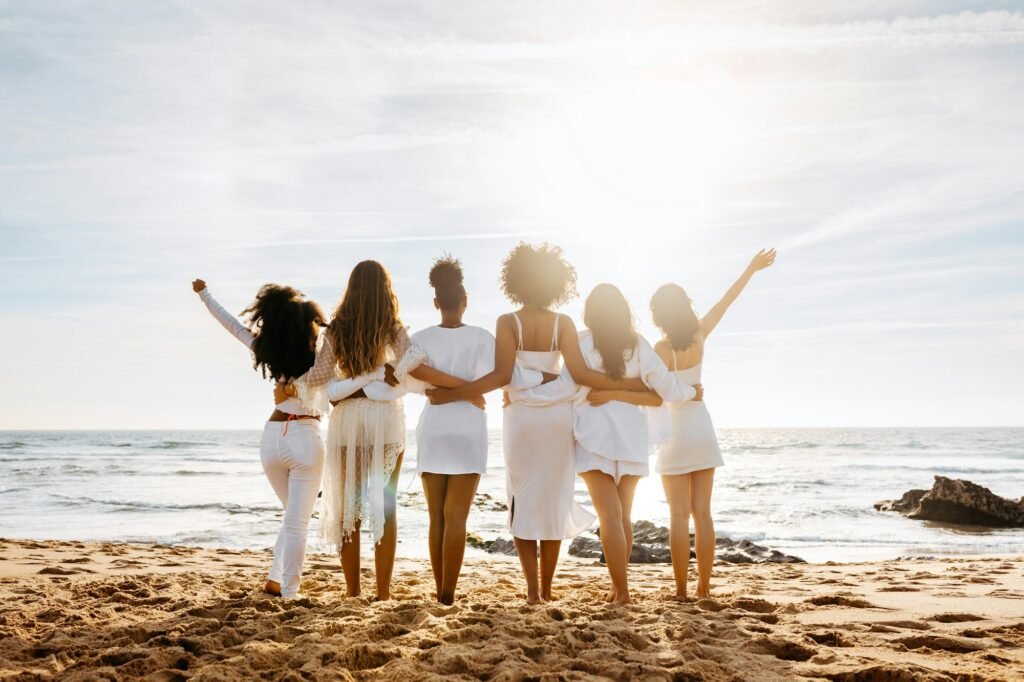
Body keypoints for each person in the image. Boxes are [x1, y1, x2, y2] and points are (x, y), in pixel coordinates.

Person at [426, 243, 651, 604]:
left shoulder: (507, 321)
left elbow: (503, 375)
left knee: (523, 499)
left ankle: (532, 591)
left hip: (521, 419)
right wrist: (557, 383)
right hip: (557, 420)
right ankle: (547, 589)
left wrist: (461, 393)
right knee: (553, 499)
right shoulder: (564, 323)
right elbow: (576, 375)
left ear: (517, 282)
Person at [515, 283, 701, 604]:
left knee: (609, 517)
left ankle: (623, 593)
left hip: (593, 436)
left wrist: (523, 392)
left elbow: (563, 387)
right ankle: (618, 588)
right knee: (622, 516)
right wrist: (690, 393)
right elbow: (664, 388)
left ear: (590, 312)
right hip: (630, 437)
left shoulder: (583, 343)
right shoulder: (639, 345)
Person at [402, 255, 554, 604]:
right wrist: (549, 377)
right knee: (457, 518)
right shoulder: (483, 337)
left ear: (436, 302)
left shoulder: (421, 339)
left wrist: (445, 392)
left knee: (436, 518)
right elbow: (512, 374)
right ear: (465, 302)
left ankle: (439, 592)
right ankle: (449, 595)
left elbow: (405, 376)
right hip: (468, 431)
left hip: (435, 427)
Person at [276, 260, 422, 600]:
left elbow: (319, 378)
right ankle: (383, 593)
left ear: (351, 288)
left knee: (348, 508)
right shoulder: (393, 327)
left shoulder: (338, 329)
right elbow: (412, 359)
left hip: (349, 421)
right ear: (385, 290)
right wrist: (386, 373)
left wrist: (287, 386)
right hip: (384, 419)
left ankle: (353, 591)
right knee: (385, 506)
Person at [652, 248, 776, 598]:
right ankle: (704, 588)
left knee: (678, 516)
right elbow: (727, 300)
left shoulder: (661, 349)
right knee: (702, 514)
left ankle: (680, 591)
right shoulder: (699, 335)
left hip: (674, 434)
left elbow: (657, 392)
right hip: (701, 429)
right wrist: (750, 268)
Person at [191, 278, 327, 599]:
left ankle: (275, 579)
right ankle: (291, 594)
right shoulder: (320, 353)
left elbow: (232, 325)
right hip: (306, 437)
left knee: (294, 516)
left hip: (271, 441)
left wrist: (205, 294)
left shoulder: (268, 348)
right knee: (297, 523)